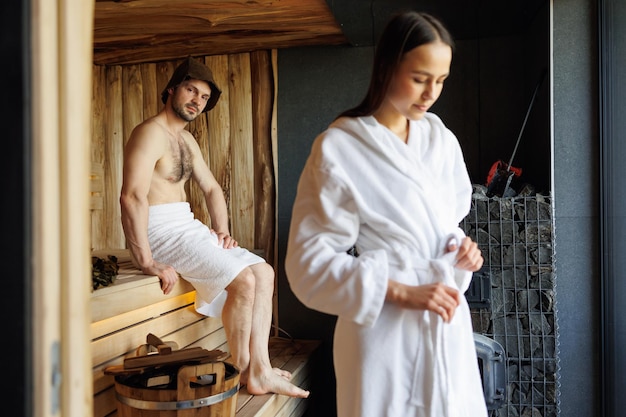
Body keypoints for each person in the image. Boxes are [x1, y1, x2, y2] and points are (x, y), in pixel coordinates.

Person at [285, 11, 488, 417]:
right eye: (419, 77)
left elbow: (444, 225)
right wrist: (400, 291)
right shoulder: (340, 148)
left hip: (444, 319)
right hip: (383, 328)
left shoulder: (440, 140)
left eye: (441, 80)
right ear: (387, 65)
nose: (431, 92)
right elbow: (306, 266)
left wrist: (460, 252)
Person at [120, 56, 309, 399]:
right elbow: (131, 197)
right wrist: (146, 260)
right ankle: (240, 369)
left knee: (264, 273)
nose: (197, 100)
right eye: (191, 90)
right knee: (243, 280)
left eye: (204, 97)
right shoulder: (149, 133)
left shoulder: (186, 141)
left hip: (186, 225)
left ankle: (260, 370)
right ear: (172, 89)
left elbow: (210, 188)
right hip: (160, 231)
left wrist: (221, 229)